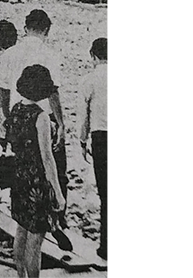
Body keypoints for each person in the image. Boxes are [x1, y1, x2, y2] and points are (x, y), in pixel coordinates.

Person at [0, 9, 71, 251]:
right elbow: (53, 92)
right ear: (47, 30)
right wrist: (61, 124)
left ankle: (22, 219)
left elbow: (1, 89)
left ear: (25, 28)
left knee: (20, 169)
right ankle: (56, 218)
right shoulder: (50, 53)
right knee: (54, 169)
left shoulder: (9, 54)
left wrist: (4, 119)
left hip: (18, 115)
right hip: (42, 117)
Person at [6, 65, 66, 278]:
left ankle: (20, 275)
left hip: (19, 176)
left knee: (20, 231)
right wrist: (58, 193)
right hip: (36, 182)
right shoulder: (40, 117)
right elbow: (47, 159)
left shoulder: (15, 109)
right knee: (35, 240)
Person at [79, 38, 107, 260]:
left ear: (94, 56)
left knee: (106, 193)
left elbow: (84, 115)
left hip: (102, 137)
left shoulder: (90, 79)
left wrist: (82, 139)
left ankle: (106, 245)